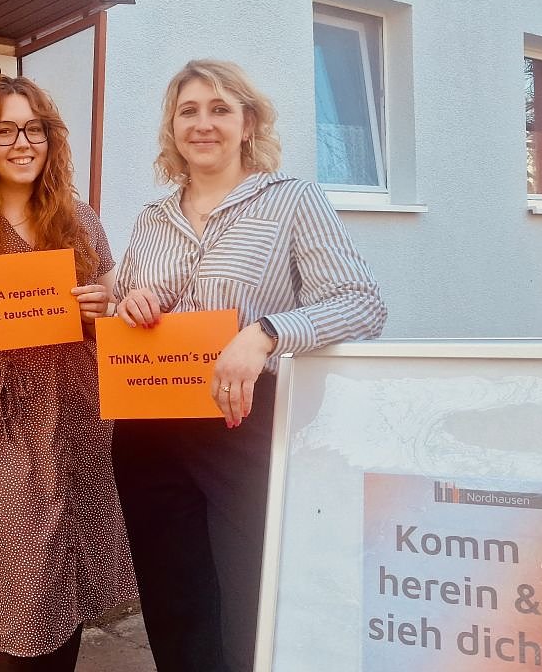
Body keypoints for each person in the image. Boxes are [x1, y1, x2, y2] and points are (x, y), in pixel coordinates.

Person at [111, 59, 387, 672]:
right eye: (188, 111)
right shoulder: (151, 219)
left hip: (244, 428)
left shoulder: (292, 201)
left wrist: (266, 333)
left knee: (252, 599)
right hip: (148, 430)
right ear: (172, 128)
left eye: (220, 109)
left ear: (249, 122)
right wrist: (130, 303)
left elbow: (362, 304)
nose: (202, 124)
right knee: (173, 601)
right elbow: (122, 303)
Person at [0, 75, 137, 671]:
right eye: (5, 131)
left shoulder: (81, 221)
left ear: (50, 138)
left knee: (70, 566)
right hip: (5, 418)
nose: (22, 143)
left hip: (80, 411)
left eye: (34, 129)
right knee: (21, 578)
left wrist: (104, 309)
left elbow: (114, 316)